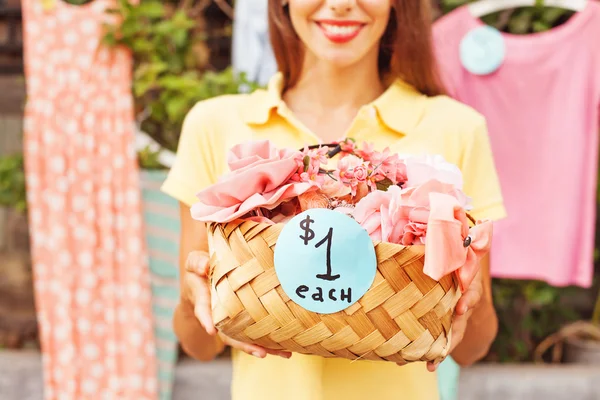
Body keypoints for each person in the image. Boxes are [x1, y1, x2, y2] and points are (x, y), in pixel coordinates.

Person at [161, 0, 506, 398]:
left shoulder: (457, 129)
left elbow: (473, 348)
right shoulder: (215, 125)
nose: (341, 4)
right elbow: (198, 345)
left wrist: (467, 299)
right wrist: (194, 300)